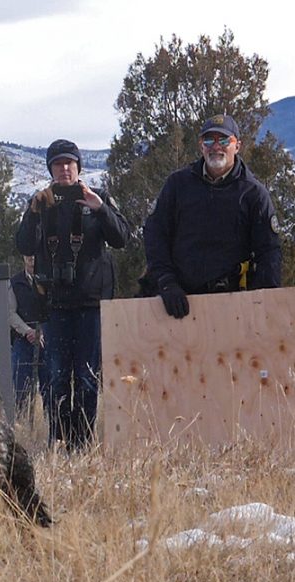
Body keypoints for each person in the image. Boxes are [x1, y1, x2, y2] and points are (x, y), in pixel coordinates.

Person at [15, 139, 129, 451]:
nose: (64, 169)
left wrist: (100, 208)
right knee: (55, 377)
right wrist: (33, 213)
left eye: (70, 163)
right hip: (54, 305)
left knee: (88, 377)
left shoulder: (98, 198)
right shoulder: (41, 203)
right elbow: (24, 245)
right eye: (58, 164)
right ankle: (58, 440)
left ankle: (84, 442)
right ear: (50, 169)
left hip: (91, 304)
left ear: (79, 167)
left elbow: (122, 238)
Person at [144, 114, 282, 319]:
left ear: (237, 146)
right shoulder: (177, 185)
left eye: (224, 140)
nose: (215, 146)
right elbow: (156, 236)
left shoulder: (253, 193)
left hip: (235, 305)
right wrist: (166, 283)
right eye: (209, 140)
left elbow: (269, 252)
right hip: (180, 304)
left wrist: (260, 304)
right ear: (201, 146)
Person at [9, 255, 50, 420]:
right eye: (28, 255)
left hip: (48, 341)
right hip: (23, 341)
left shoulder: (49, 279)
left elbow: (55, 309)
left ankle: (52, 427)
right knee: (20, 389)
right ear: (23, 257)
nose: (32, 258)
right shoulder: (14, 282)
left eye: (34, 254)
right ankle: (21, 428)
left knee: (51, 388)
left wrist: (44, 332)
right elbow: (9, 312)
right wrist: (28, 331)